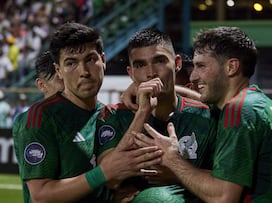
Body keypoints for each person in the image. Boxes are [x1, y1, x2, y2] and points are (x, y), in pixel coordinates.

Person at [134, 26, 272, 202]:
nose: (193, 76)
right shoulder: (262, 104)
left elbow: (223, 197)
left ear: (231, 67)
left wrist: (172, 158)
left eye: (201, 66)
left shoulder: (239, 110)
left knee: (153, 199)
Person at [12, 22, 162, 203]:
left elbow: (114, 175)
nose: (83, 71)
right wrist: (103, 174)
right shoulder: (41, 117)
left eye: (90, 59)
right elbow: (41, 196)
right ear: (58, 71)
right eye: (71, 63)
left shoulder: (107, 116)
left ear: (103, 61)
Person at [96, 28, 215, 202]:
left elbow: (226, 181)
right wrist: (142, 112)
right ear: (130, 73)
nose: (150, 73)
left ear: (177, 63)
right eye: (140, 65)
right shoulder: (113, 116)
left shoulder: (205, 116)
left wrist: (178, 173)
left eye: (159, 61)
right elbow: (110, 179)